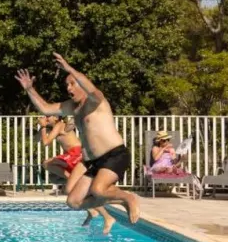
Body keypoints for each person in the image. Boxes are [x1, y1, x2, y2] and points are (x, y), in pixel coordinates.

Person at [16, 53, 142, 224]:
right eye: (67, 85)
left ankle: (129, 198)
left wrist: (69, 69)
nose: (69, 88)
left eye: (72, 84)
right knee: (73, 202)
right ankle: (120, 199)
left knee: (98, 190)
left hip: (114, 154)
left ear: (82, 84)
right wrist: (29, 89)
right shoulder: (73, 107)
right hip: (94, 162)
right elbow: (46, 108)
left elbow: (92, 89)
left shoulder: (96, 101)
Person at [39, 115, 113, 234]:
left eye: (49, 116)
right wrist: (42, 128)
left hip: (76, 154)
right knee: (56, 179)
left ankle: (106, 216)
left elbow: (46, 142)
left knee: (47, 164)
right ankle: (91, 212)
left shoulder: (59, 125)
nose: (47, 117)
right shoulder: (55, 128)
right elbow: (40, 139)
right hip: (73, 155)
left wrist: (42, 126)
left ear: (57, 118)